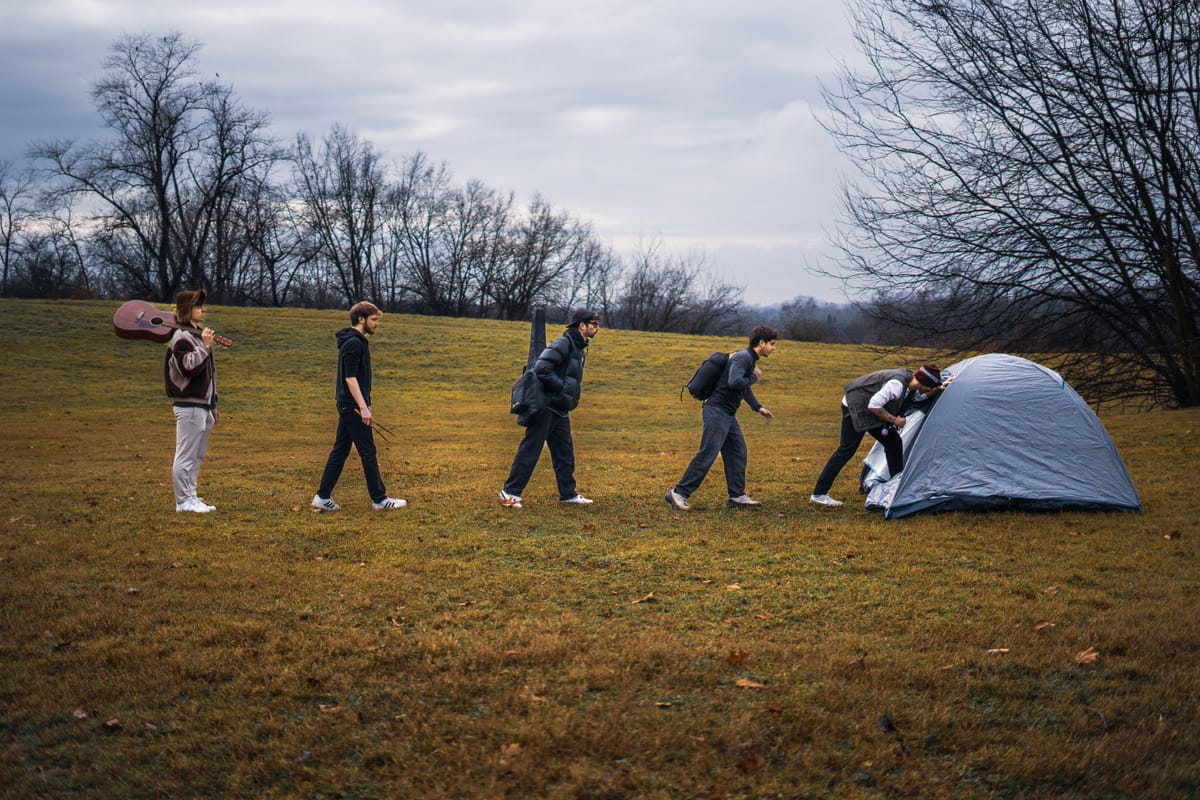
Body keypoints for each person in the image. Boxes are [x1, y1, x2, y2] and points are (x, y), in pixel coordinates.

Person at [665, 325, 778, 511]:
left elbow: (742, 387)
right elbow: (735, 382)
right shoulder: (744, 357)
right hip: (717, 411)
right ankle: (678, 493)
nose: (773, 348)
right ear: (761, 343)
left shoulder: (747, 358)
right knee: (708, 453)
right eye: (772, 344)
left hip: (727, 413)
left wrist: (758, 407)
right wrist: (754, 377)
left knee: (737, 451)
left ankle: (737, 495)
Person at [499, 308, 601, 508]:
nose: (597, 328)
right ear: (582, 325)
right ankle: (510, 492)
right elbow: (541, 368)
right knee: (530, 450)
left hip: (559, 409)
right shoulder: (563, 343)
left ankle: (568, 494)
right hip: (546, 407)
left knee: (564, 454)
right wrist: (561, 389)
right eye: (594, 324)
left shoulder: (579, 347)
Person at [311, 301, 407, 511]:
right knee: (368, 451)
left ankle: (322, 496)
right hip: (353, 407)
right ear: (361, 319)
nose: (376, 324)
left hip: (349, 406)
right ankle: (380, 500)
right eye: (374, 320)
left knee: (340, 450)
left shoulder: (356, 341)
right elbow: (350, 378)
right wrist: (363, 407)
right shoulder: (354, 343)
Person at [809, 364, 947, 507]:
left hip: (870, 407)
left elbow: (919, 396)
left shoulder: (911, 384)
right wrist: (895, 420)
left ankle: (896, 487)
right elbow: (874, 405)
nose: (930, 390)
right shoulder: (897, 384)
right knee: (846, 449)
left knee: (893, 442)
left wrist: (938, 389)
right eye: (930, 387)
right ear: (924, 382)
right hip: (855, 405)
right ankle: (819, 494)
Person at [166, 289, 219, 513]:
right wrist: (205, 348)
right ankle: (183, 501)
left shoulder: (196, 335)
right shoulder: (181, 338)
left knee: (196, 456)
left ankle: (192, 497)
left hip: (202, 406)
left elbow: (210, 375)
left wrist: (213, 404)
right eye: (199, 306)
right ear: (187, 310)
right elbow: (189, 368)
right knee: (186, 455)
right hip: (188, 405)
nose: (203, 310)